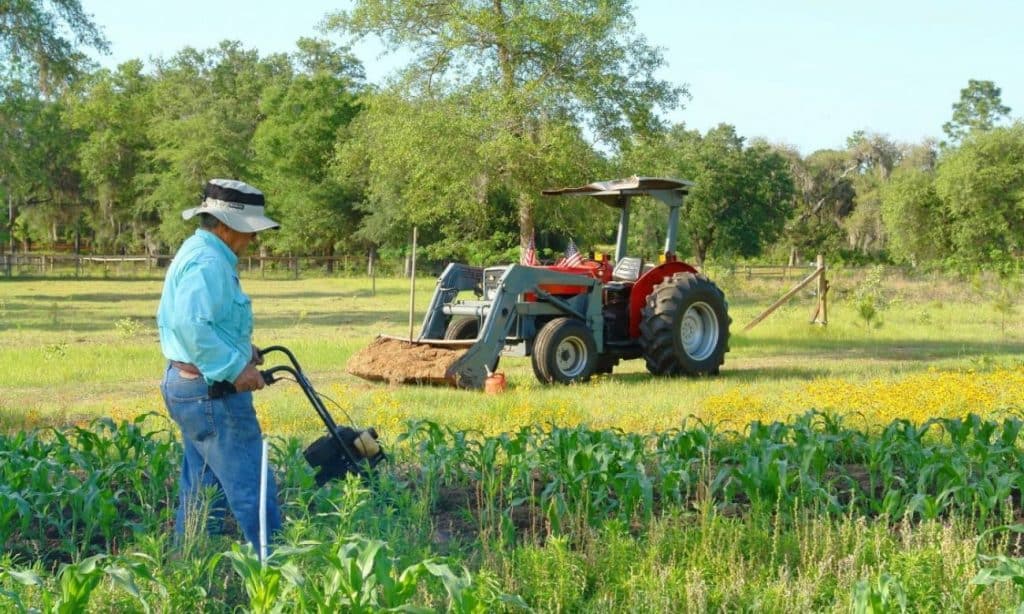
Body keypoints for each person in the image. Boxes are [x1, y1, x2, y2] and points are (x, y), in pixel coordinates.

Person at [156, 178, 281, 550]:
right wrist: (235, 368)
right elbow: (190, 324)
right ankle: (276, 571)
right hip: (212, 393)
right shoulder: (209, 261)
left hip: (191, 389)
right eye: (250, 231)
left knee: (201, 490)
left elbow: (207, 321)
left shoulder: (199, 250)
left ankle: (188, 571)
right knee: (252, 487)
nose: (253, 239)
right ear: (226, 226)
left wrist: (243, 350)